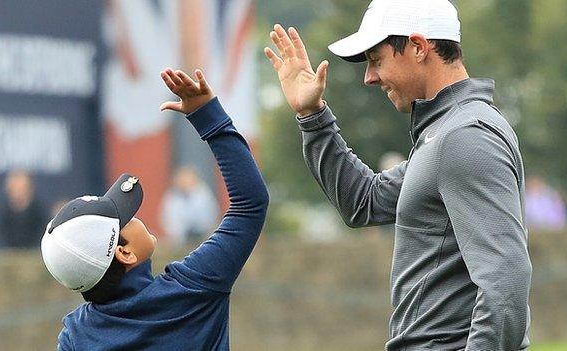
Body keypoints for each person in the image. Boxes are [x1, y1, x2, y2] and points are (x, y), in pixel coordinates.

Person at [264, 0, 531, 350]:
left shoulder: (465, 136)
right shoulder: (448, 133)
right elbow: (363, 202)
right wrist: (312, 115)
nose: (369, 76)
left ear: (419, 47)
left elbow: (505, 280)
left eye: (377, 60)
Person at [41, 68, 268, 350]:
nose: (135, 216)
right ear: (124, 253)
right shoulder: (190, 290)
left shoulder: (76, 337)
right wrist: (208, 114)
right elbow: (250, 204)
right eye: (126, 218)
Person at [161, 166, 219, 247]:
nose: (184, 183)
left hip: (202, 237)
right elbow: (168, 218)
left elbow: (211, 215)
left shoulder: (204, 194)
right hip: (179, 241)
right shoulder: (172, 196)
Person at [0, 170, 47, 248]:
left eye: (20, 188)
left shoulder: (39, 215)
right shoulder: (3, 215)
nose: (16, 192)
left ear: (29, 189)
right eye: (13, 189)